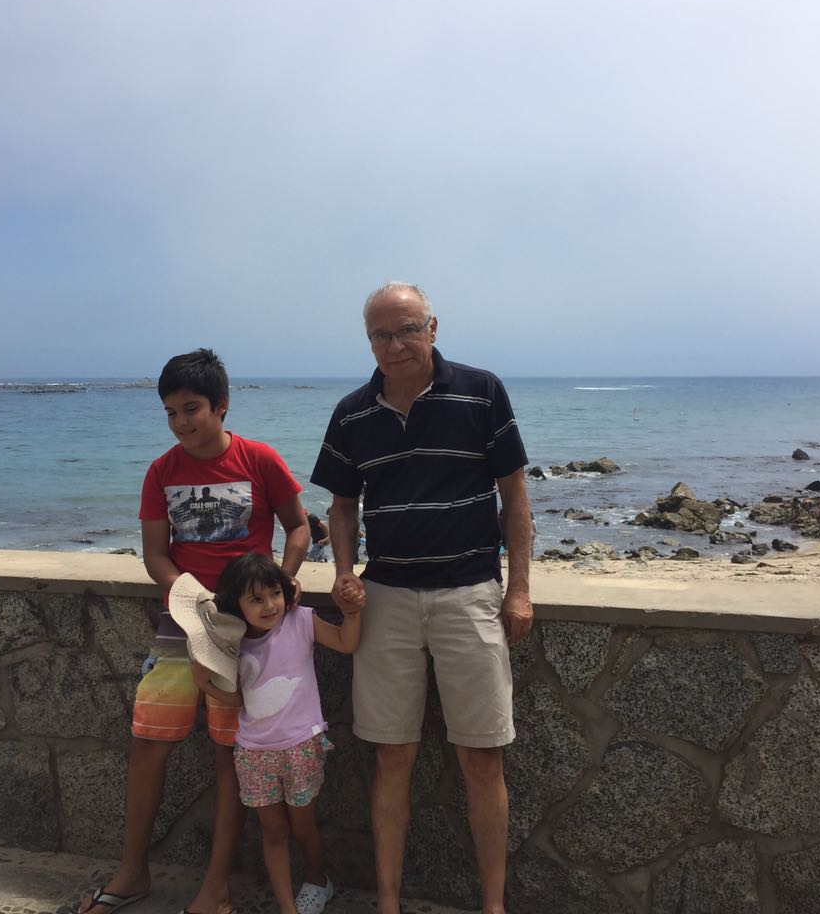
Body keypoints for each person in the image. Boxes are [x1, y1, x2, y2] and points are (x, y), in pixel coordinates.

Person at [310, 282, 533, 914]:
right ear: (369, 342)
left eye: (407, 329)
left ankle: (493, 906)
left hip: (471, 594)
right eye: (381, 334)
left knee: (482, 759)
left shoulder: (482, 391)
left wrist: (519, 589)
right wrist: (344, 571)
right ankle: (388, 903)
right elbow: (343, 507)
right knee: (391, 757)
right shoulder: (352, 413)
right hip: (386, 599)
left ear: (433, 328)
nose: (396, 344)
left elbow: (514, 498)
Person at [68, 348, 310, 914]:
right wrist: (190, 596)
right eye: (171, 412)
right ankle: (133, 872)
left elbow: (298, 527)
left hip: (246, 632)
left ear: (221, 405)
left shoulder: (259, 459)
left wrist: (282, 579)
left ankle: (216, 889)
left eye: (191, 409)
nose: (181, 422)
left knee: (229, 755)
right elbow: (156, 555)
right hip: (182, 627)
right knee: (149, 741)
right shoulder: (162, 471)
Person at [192, 552, 363, 914]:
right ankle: (287, 907)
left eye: (275, 593)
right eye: (256, 599)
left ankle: (318, 879)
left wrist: (351, 615)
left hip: (302, 746)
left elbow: (346, 643)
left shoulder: (301, 620)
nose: (270, 605)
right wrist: (204, 680)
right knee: (272, 831)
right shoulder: (232, 644)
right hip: (253, 752)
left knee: (303, 827)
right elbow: (239, 696)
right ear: (235, 605)